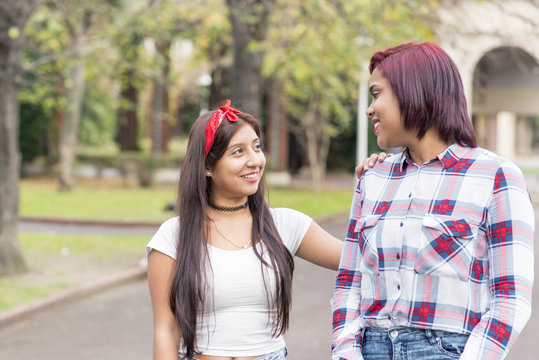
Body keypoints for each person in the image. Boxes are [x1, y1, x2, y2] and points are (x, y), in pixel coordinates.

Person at [332, 41, 535, 360]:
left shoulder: (495, 176)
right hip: (369, 348)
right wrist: (346, 353)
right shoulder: (373, 178)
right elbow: (349, 285)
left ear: (413, 90)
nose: (369, 108)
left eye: (376, 94)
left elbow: (510, 301)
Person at [146, 99, 384, 360]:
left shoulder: (285, 225)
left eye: (257, 147)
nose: (255, 160)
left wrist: (382, 186)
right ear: (207, 167)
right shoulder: (173, 236)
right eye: (238, 152)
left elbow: (371, 260)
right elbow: (166, 331)